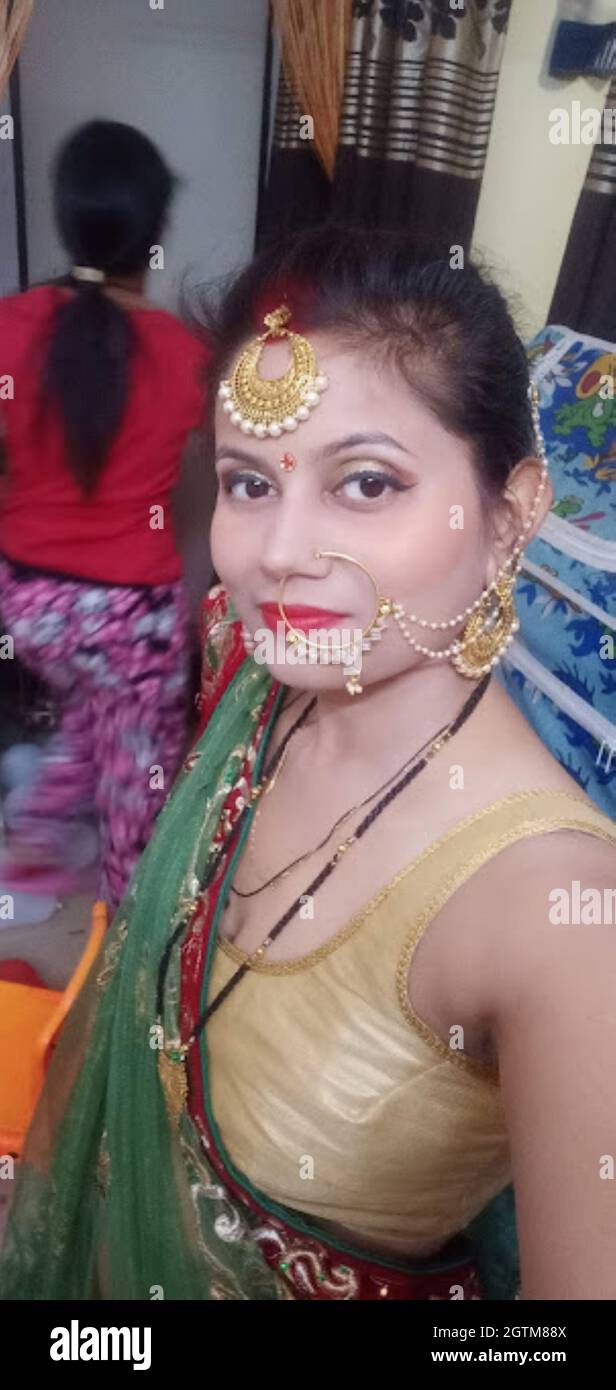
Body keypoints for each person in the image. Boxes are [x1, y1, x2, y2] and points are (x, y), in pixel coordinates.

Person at [1, 226, 615, 1301]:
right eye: (247, 483)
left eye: (365, 483)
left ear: (508, 514)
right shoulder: (255, 673)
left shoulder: (557, 912)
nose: (279, 549)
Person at [0, 120, 208, 915]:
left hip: (32, 608)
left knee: (90, 715)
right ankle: (129, 925)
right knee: (138, 768)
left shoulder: (10, 326)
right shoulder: (185, 352)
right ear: (153, 235)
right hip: (129, 619)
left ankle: (31, 849)